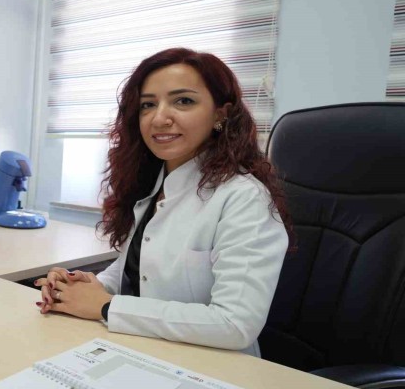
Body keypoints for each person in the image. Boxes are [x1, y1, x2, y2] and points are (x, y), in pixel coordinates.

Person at [34, 47, 291, 357]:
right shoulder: (152, 184)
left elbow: (235, 324)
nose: (159, 118)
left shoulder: (244, 197)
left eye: (184, 101)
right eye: (148, 105)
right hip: (144, 350)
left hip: (211, 366)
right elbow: (138, 269)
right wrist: (84, 285)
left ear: (220, 115)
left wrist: (105, 306)